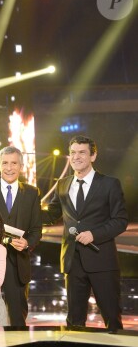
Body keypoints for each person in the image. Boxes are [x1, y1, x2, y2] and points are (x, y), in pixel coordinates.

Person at [44, 135, 128, 331]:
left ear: (93, 156)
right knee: (74, 321)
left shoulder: (109, 184)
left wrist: (94, 234)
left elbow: (120, 221)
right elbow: (51, 215)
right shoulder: (63, 184)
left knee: (112, 317)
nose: (76, 157)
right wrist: (24, 209)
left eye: (82, 152)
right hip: (73, 262)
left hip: (102, 261)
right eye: (73, 152)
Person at [0, 146, 42, 326]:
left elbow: (36, 229)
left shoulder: (32, 193)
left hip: (18, 264)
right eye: (5, 163)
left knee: (17, 320)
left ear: (21, 166)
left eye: (14, 163)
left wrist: (27, 243)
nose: (9, 168)